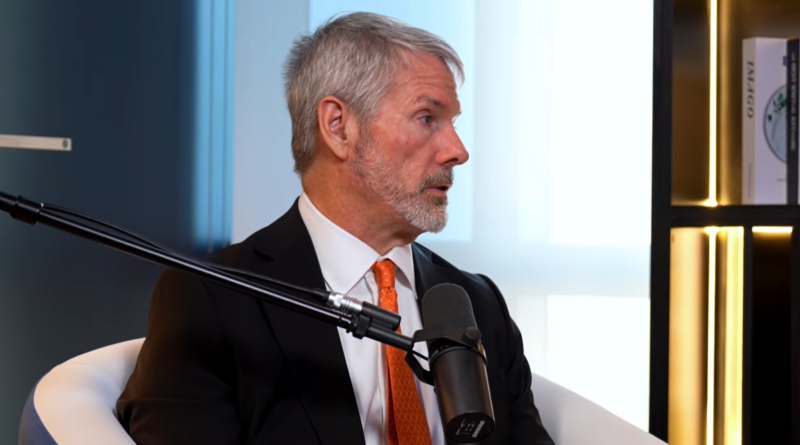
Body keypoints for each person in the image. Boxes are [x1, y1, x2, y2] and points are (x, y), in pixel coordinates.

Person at [117, 12, 554, 445]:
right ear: (338, 127)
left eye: (453, 123)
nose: (457, 151)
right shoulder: (210, 299)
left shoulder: (480, 304)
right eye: (426, 118)